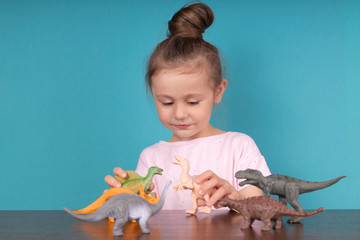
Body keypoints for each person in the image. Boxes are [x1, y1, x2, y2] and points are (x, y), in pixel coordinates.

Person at [105, 2, 270, 210]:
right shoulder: (150, 158)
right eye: (166, 102)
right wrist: (122, 198)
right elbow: (142, 215)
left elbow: (260, 211)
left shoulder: (239, 147)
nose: (179, 114)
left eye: (192, 102)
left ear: (218, 91)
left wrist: (235, 197)